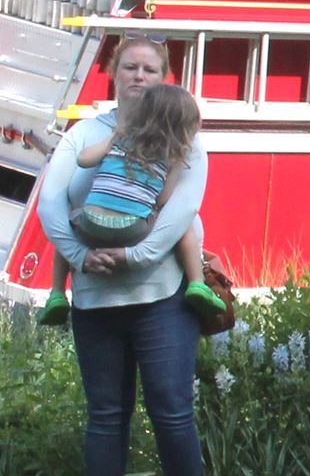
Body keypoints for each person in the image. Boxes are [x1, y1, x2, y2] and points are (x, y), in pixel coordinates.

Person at [38, 36, 210, 476]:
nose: (139, 77)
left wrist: (133, 255)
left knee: (172, 410)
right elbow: (51, 202)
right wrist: (79, 256)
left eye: (150, 70)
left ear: (164, 77)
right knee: (106, 412)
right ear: (114, 74)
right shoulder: (85, 133)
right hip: (94, 296)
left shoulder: (183, 135)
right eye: (130, 68)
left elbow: (181, 212)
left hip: (161, 298)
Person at [42, 83, 225, 328]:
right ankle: (196, 283)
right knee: (185, 225)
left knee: (68, 219)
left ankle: (56, 294)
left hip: (90, 225)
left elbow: (83, 159)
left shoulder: (121, 138)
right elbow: (162, 200)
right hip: (133, 229)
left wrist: (111, 140)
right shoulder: (170, 156)